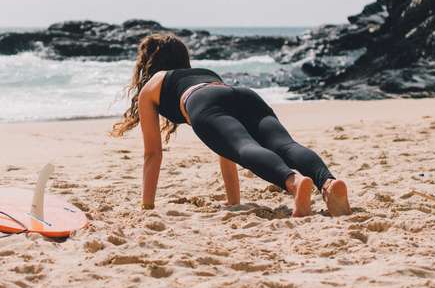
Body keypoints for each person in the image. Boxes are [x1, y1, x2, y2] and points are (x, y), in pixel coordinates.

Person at [111, 33, 350, 217]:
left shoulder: (154, 84)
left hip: (202, 101)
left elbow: (152, 154)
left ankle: (294, 183)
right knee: (285, 145)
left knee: (243, 147)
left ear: (147, 64)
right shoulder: (203, 72)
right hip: (242, 94)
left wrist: (147, 205)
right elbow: (225, 151)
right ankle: (328, 182)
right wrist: (233, 202)